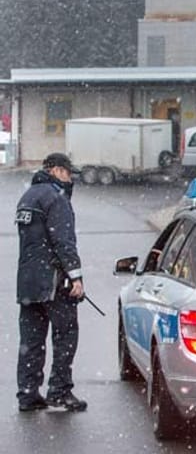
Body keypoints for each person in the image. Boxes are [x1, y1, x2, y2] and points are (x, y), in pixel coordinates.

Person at [15, 153, 87, 412]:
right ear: (57, 170)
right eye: (68, 173)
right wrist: (75, 276)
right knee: (66, 334)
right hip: (54, 280)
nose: (70, 179)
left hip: (27, 282)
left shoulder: (27, 197)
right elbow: (63, 241)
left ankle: (28, 394)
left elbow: (32, 242)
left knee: (31, 341)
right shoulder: (56, 199)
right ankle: (59, 391)